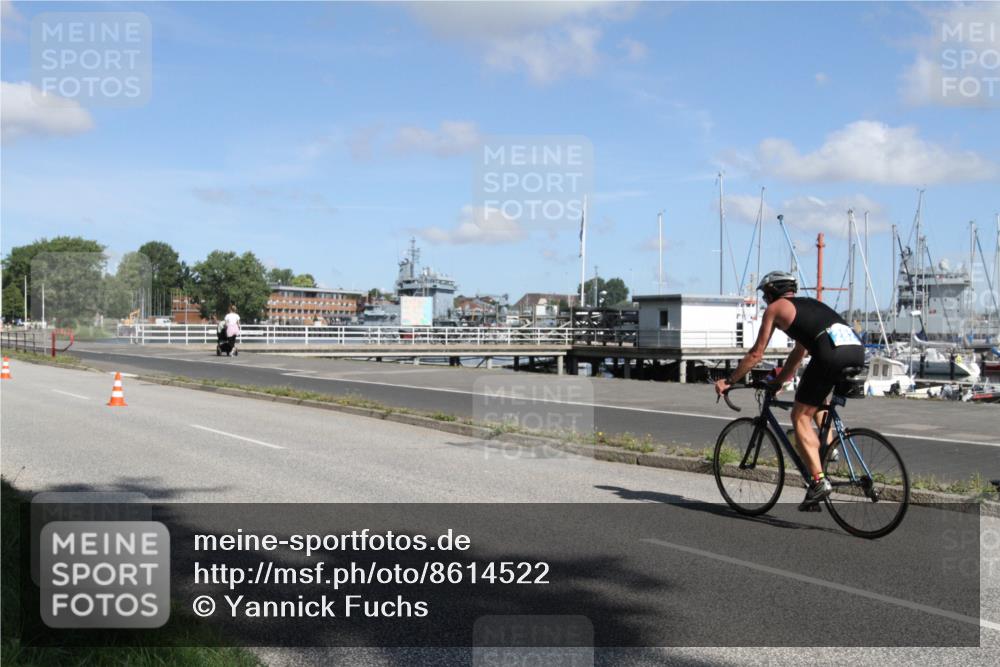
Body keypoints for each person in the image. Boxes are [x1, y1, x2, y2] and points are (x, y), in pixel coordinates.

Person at [714, 271, 864, 509]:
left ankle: (818, 481)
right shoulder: (809, 306)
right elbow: (799, 353)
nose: (765, 300)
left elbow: (756, 354)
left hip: (831, 354)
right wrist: (779, 381)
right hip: (856, 350)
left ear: (772, 292)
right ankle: (826, 449)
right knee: (815, 402)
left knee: (798, 415)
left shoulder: (776, 309)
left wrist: (729, 381)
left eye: (765, 295)